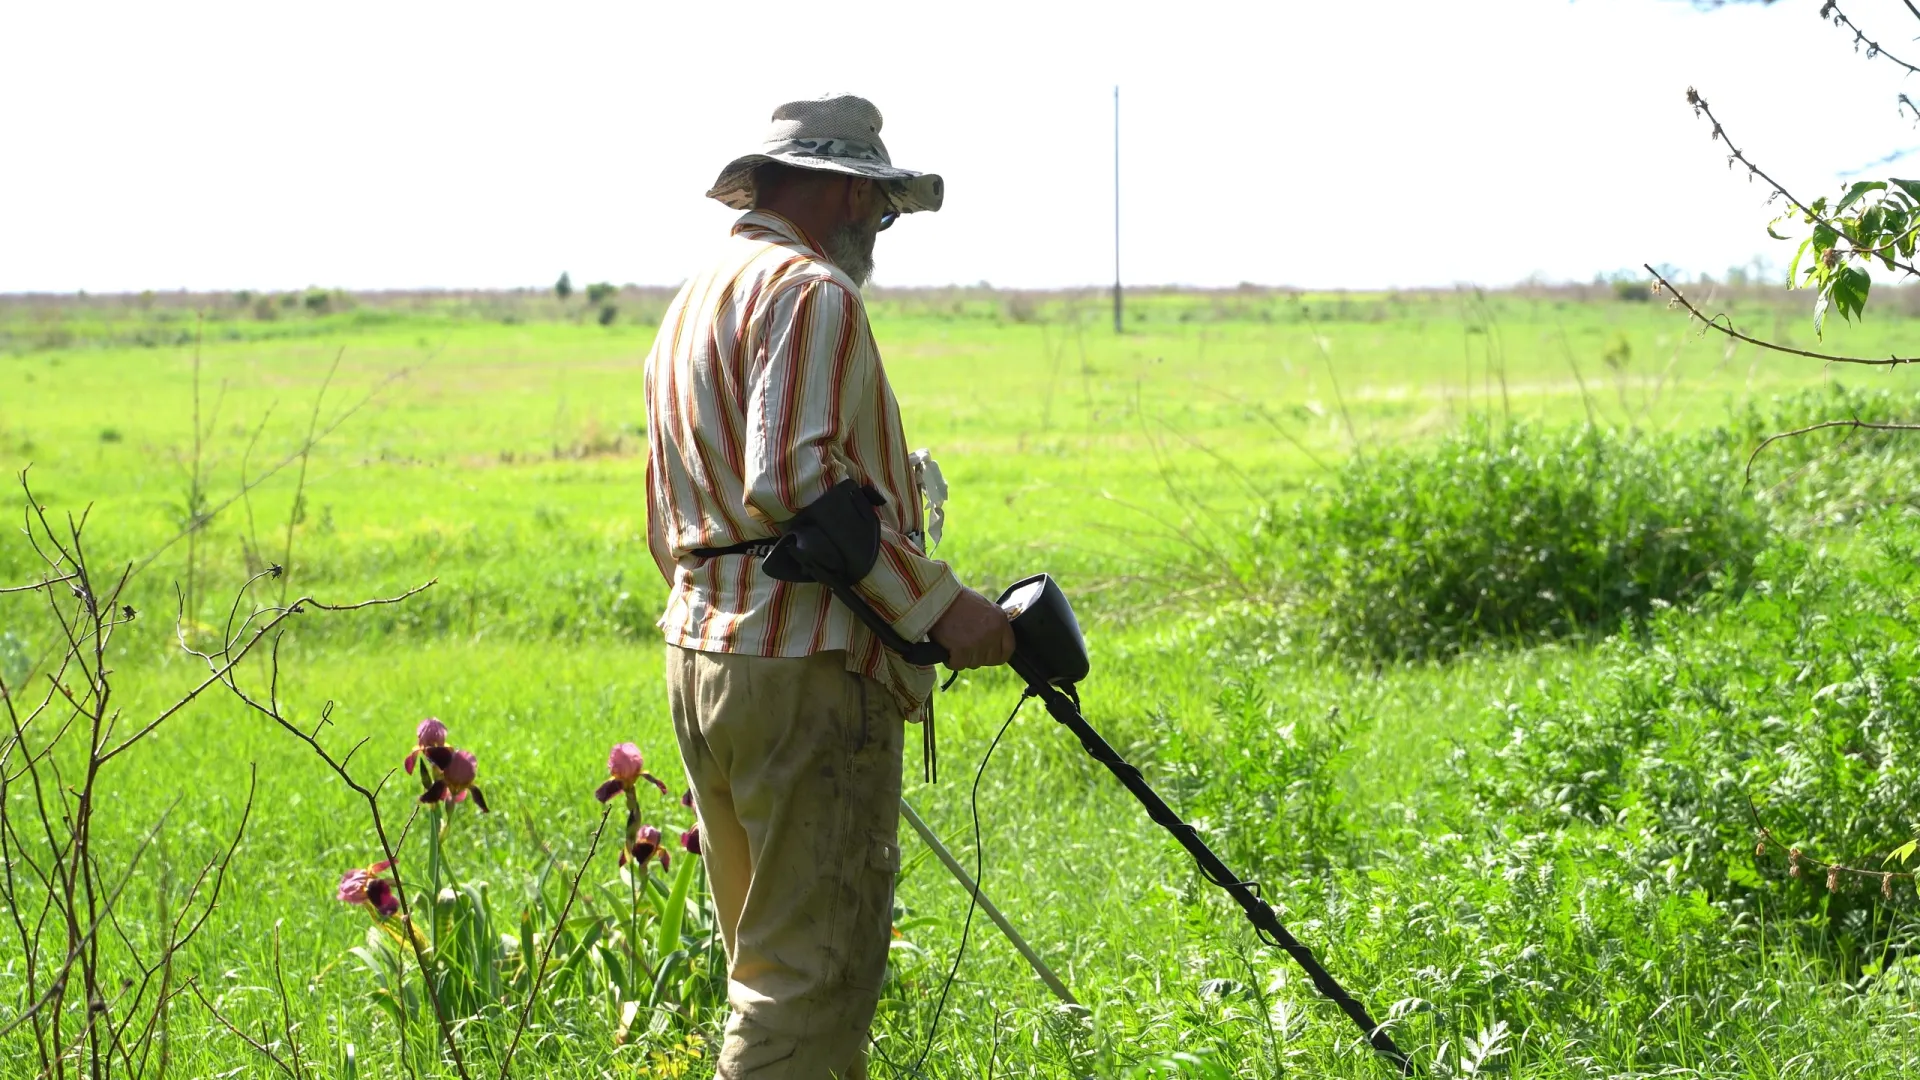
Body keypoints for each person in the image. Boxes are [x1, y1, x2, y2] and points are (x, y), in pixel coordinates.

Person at [643, 93, 1014, 1079]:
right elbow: (797, 481)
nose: (878, 231)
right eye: (879, 210)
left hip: (706, 655)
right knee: (809, 988)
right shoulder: (810, 293)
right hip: (803, 666)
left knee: (769, 969)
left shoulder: (693, 303)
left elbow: (662, 515)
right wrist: (940, 606)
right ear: (846, 191)